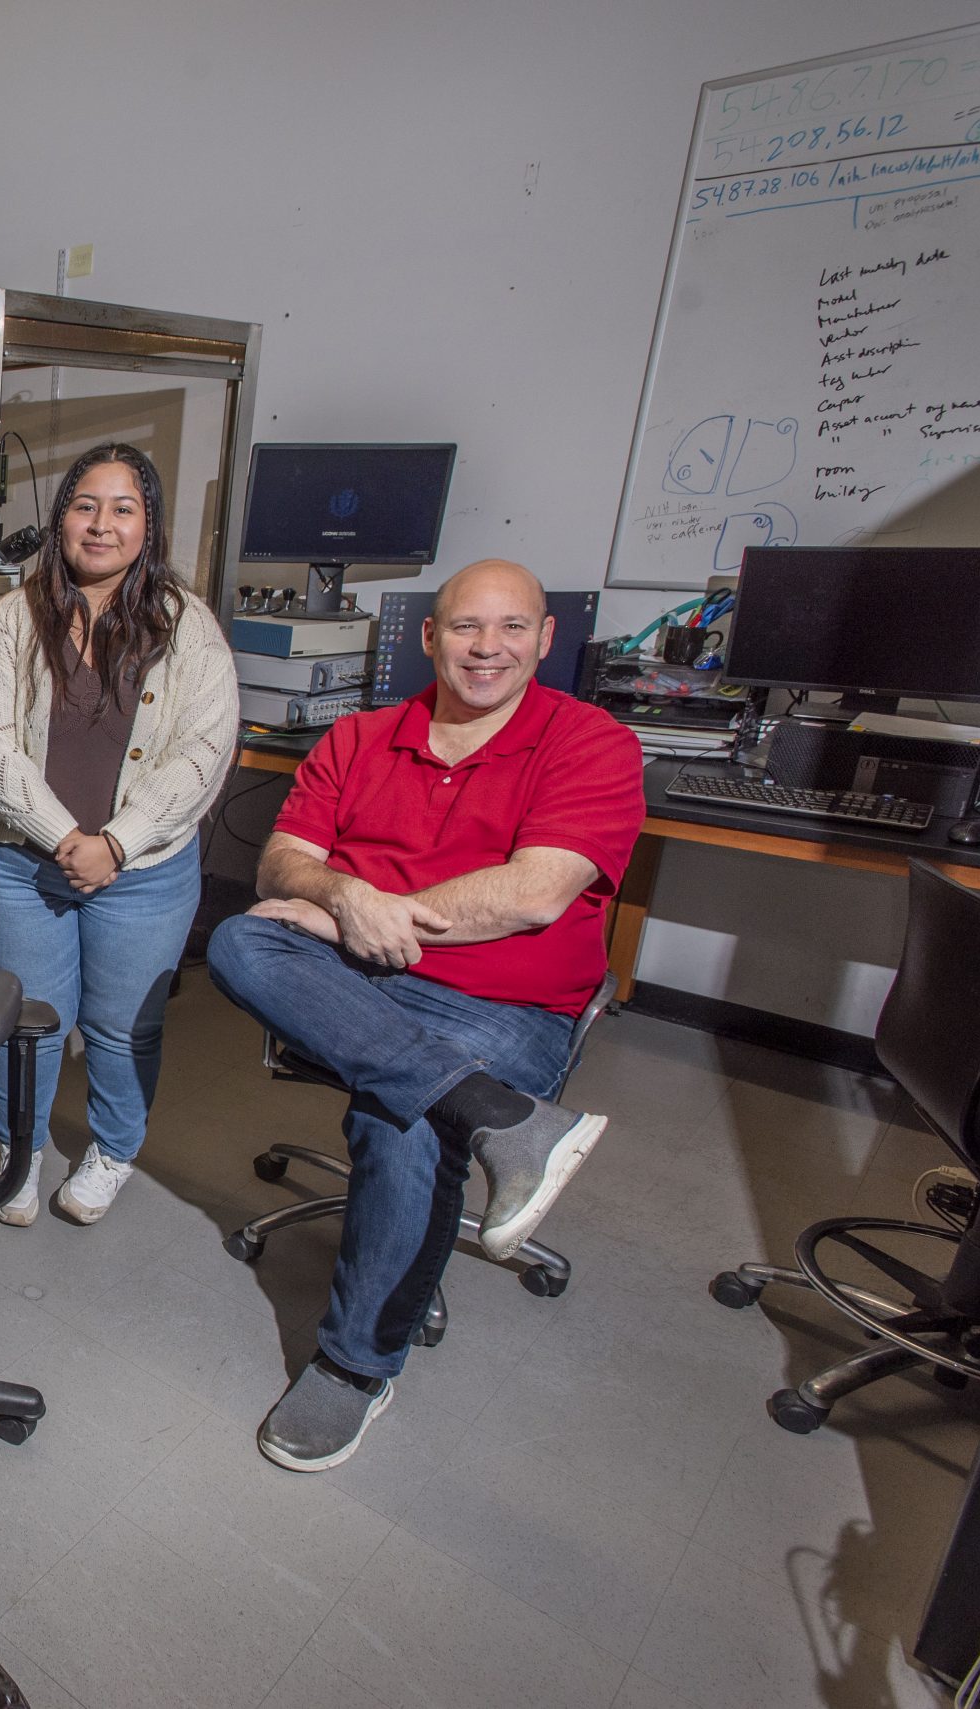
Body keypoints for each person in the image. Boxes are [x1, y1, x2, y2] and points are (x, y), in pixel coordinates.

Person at [205, 558, 642, 1473]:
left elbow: (531, 896)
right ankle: (503, 1120)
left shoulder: (590, 741)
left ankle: (354, 1365)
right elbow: (282, 864)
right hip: (362, 976)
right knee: (242, 940)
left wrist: (361, 914)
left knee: (397, 1114)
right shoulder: (360, 737)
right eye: (467, 628)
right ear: (429, 636)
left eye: (512, 627)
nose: (488, 648)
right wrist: (336, 894)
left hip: (505, 1000)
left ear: (546, 639)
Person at [0, 443, 238, 1228]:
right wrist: (61, 835)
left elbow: (203, 752)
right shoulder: (9, 622)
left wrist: (117, 842)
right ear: (59, 518)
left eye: (123, 508)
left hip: (144, 873)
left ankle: (114, 1148)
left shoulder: (192, 630)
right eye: (85, 505)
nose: (101, 524)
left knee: (123, 1025)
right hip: (21, 865)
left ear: (149, 524)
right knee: (31, 1020)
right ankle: (21, 1145)